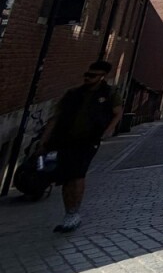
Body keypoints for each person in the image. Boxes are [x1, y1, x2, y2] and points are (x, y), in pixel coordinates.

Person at [38, 60, 122, 233]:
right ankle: (69, 212)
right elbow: (56, 117)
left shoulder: (109, 93)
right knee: (66, 177)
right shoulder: (73, 94)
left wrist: (108, 130)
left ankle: (73, 213)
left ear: (102, 77)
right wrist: (44, 140)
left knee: (77, 174)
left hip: (88, 140)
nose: (87, 78)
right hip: (64, 140)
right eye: (86, 74)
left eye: (92, 76)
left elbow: (118, 112)